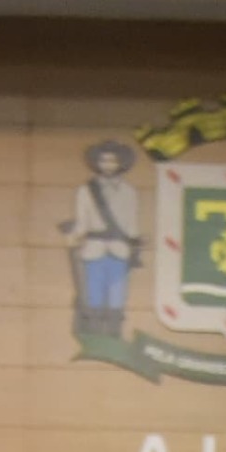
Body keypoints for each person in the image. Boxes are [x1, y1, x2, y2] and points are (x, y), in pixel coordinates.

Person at [61, 140, 141, 341]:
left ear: (119, 163)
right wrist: (74, 236)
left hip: (119, 249)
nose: (108, 164)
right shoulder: (85, 191)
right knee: (93, 293)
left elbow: (131, 223)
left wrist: (134, 244)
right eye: (104, 160)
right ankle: (95, 334)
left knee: (117, 294)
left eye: (112, 161)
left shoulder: (129, 192)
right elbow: (82, 222)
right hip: (93, 248)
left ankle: (114, 334)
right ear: (97, 163)